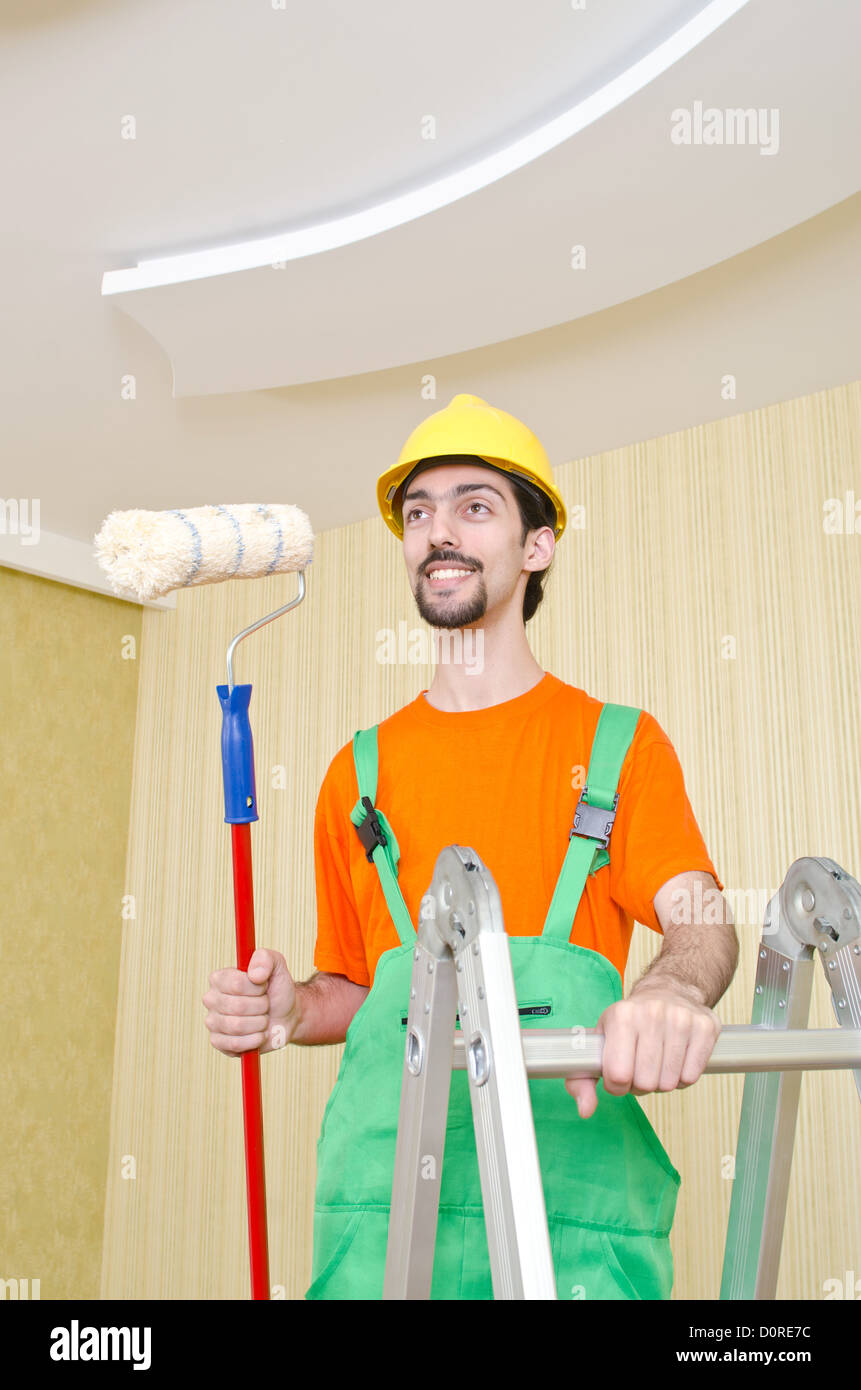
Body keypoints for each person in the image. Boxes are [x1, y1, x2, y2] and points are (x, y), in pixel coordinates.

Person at [203, 393, 738, 1300]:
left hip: (570, 1208)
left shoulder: (616, 746)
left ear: (536, 548)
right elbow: (364, 990)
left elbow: (704, 922)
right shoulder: (357, 773)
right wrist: (292, 1009)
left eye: (473, 506)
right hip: (378, 1214)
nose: (437, 531)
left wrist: (671, 992)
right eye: (418, 513)